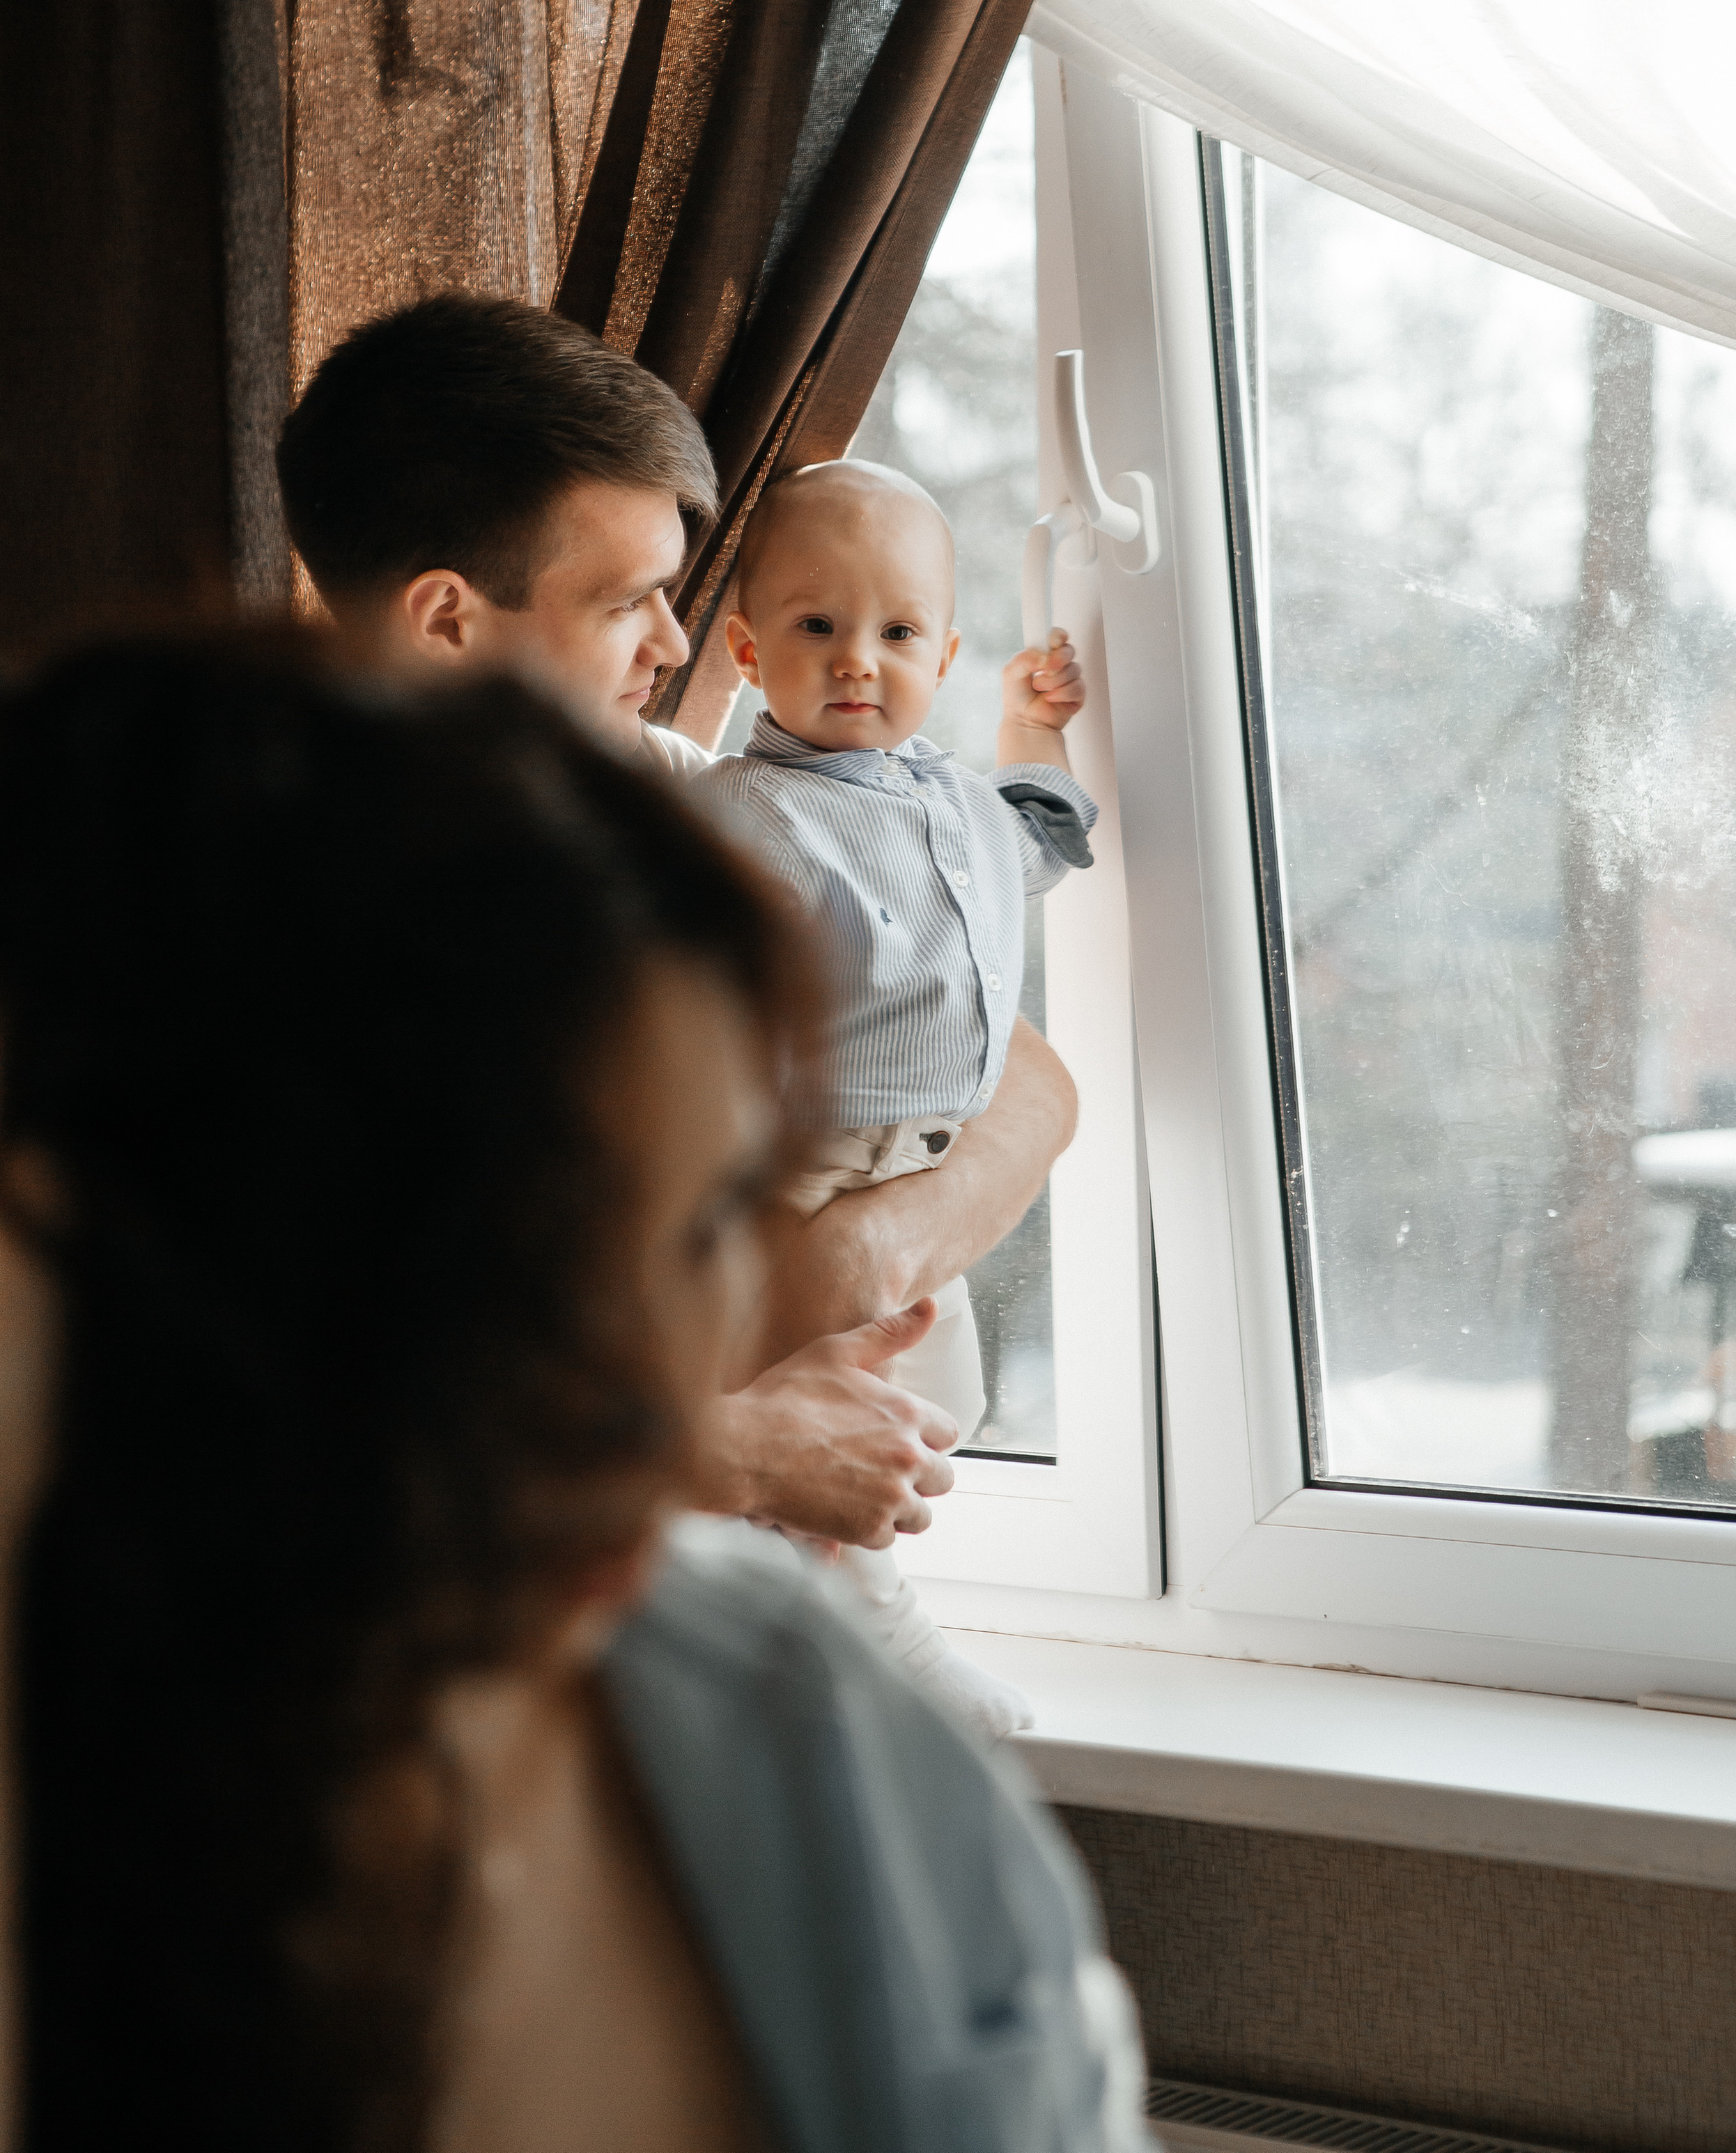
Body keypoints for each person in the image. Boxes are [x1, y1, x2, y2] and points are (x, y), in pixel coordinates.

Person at [0, 634, 1145, 2153]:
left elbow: (1032, 1080)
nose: (669, 1406)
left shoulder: (813, 1746)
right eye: (496, 1268)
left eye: (699, 1229)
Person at [275, 296, 1080, 1554]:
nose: (674, 638)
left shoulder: (665, 782)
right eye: (627, 600)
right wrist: (735, 1442)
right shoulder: (251, 913)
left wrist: (856, 1262)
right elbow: (304, 1389)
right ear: (449, 621)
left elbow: (1024, 1079)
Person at [695, 460, 1092, 1737]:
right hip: (797, 1170)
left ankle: (802, 1612)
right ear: (749, 648)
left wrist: (1034, 724)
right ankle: (871, 1638)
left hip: (920, 1171)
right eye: (818, 627)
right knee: (819, 1427)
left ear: (947, 651)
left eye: (899, 632)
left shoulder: (956, 802)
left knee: (937, 1411)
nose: (859, 659)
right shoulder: (735, 814)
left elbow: (1039, 825)